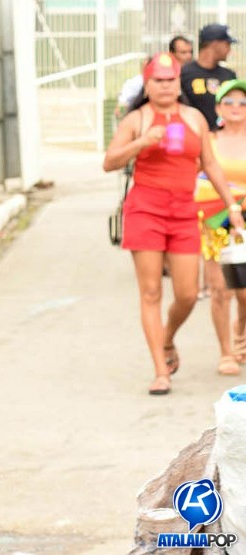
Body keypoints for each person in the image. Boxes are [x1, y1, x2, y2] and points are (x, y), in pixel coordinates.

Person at [103, 52, 244, 396]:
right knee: (151, 292)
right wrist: (141, 143)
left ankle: (167, 338)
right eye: (158, 80)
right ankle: (160, 371)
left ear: (178, 83)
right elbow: (109, 162)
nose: (165, 86)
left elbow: (210, 164)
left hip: (183, 212)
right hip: (145, 211)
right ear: (147, 84)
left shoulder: (194, 118)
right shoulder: (137, 119)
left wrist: (231, 206)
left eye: (170, 80)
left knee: (187, 293)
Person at [196, 79, 246, 375]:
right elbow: (195, 177)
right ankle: (226, 352)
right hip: (215, 220)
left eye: (242, 102)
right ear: (218, 108)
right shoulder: (209, 141)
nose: (236, 107)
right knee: (220, 289)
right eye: (229, 102)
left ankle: (241, 332)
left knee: (244, 293)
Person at [181, 23, 238, 131]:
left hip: (222, 137)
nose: (229, 49)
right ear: (215, 44)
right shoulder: (184, 73)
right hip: (194, 135)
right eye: (227, 44)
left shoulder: (229, 75)